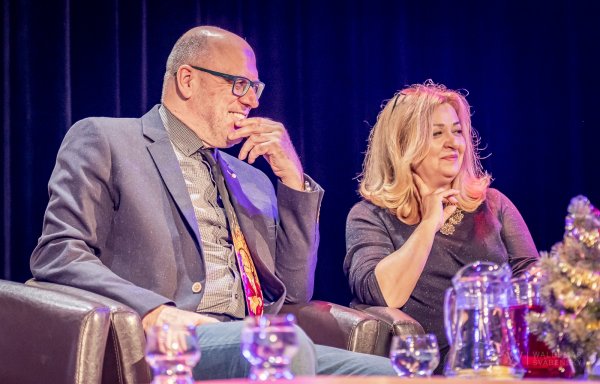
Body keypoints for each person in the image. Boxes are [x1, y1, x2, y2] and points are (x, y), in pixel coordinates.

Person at [30, 26, 395, 378]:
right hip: (163, 340)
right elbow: (59, 252)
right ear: (187, 80)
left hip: (252, 338)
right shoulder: (108, 141)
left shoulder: (252, 179)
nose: (252, 101)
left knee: (395, 373)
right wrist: (154, 310)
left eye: (255, 87)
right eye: (240, 84)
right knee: (284, 347)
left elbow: (295, 290)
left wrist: (292, 180)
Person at [344, 81, 539, 373]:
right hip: (432, 364)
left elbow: (532, 282)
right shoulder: (370, 216)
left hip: (501, 355)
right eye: (437, 133)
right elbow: (386, 294)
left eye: (457, 131)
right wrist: (428, 224)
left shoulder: (493, 203)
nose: (453, 143)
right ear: (403, 145)